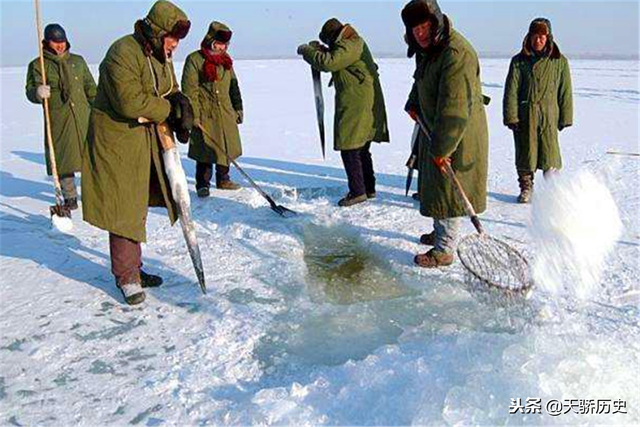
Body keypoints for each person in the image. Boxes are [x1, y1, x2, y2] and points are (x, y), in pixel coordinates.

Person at [81, 0, 193, 305]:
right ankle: (127, 277)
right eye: (172, 39)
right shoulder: (122, 52)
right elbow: (129, 102)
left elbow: (167, 89)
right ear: (157, 33)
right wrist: (168, 110)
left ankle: (136, 269)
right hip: (117, 143)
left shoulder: (159, 54)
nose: (175, 47)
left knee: (136, 205)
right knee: (123, 209)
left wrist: (181, 105)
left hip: (145, 141)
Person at [401, 0, 489, 267]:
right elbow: (421, 80)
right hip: (435, 127)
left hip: (457, 133)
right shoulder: (428, 50)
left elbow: (455, 108)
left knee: (449, 189)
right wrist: (413, 102)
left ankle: (444, 249)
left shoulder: (456, 54)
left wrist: (443, 148)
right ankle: (441, 233)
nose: (419, 33)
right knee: (437, 188)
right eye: (414, 29)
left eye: (424, 26)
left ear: (436, 22)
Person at [297, 18, 389, 207]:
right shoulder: (351, 43)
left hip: (357, 103)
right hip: (360, 101)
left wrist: (307, 51)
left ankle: (357, 192)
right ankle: (368, 188)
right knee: (361, 146)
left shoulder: (351, 44)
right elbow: (335, 58)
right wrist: (321, 51)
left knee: (350, 146)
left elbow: (329, 63)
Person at [26, 23, 96, 210]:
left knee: (90, 158)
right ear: (47, 42)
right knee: (64, 160)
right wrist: (37, 92)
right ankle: (70, 197)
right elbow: (30, 90)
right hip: (59, 119)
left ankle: (93, 196)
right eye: (55, 42)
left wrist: (98, 107)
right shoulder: (38, 65)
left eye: (62, 41)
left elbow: (90, 88)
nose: (60, 46)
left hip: (82, 117)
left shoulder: (78, 62)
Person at [503, 18, 573, 203]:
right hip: (526, 116)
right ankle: (526, 188)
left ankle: (554, 190)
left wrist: (565, 116)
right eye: (535, 36)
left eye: (542, 37)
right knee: (526, 152)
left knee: (550, 154)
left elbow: (565, 91)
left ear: (548, 37)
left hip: (549, 115)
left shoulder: (559, 62)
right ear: (529, 37)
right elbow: (511, 90)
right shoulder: (519, 61)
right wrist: (511, 116)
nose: (538, 40)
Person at [182, 21, 244, 197]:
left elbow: (234, 88)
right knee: (205, 149)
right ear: (210, 40)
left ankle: (223, 179)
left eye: (225, 44)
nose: (222, 47)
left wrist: (238, 109)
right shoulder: (195, 60)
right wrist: (193, 115)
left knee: (226, 146)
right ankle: (203, 184)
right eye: (219, 43)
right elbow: (189, 91)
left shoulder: (226, 62)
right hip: (205, 113)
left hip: (225, 111)